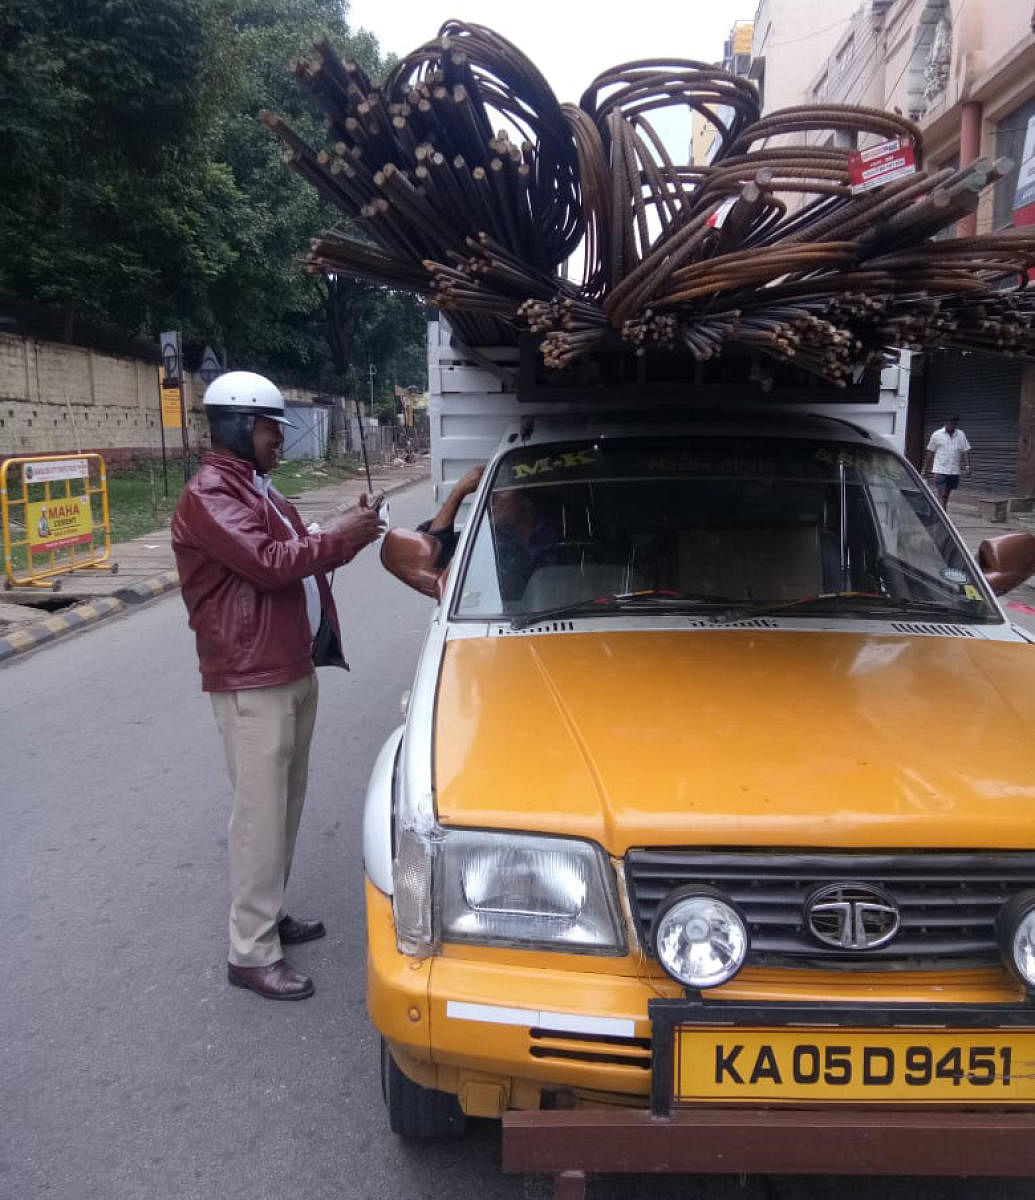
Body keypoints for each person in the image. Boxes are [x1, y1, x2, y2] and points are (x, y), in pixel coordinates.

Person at [171, 371, 384, 1001]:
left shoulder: (256, 488)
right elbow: (270, 563)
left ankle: (269, 913)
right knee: (259, 815)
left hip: (286, 666)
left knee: (285, 806)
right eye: (270, 430)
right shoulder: (211, 494)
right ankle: (250, 951)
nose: (278, 443)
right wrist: (339, 538)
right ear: (239, 426)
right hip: (251, 676)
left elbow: (296, 544)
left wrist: (339, 532)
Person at [923, 415, 971, 510]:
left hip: (954, 471)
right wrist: (925, 470)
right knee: (942, 493)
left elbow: (965, 450)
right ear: (945, 423)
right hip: (940, 470)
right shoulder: (936, 435)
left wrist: (967, 466)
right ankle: (943, 516)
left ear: (956, 424)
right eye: (949, 422)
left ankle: (938, 512)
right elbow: (930, 452)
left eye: (953, 423)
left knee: (946, 494)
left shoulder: (961, 434)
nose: (951, 425)